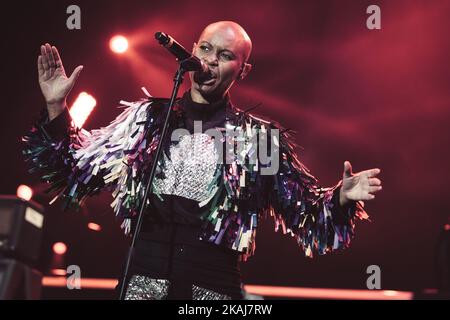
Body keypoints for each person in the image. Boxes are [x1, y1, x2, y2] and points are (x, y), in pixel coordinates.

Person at [22, 21, 383, 300]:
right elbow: (75, 175)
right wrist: (57, 107)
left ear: (243, 70)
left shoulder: (259, 139)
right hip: (141, 282)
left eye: (225, 55)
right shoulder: (147, 119)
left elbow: (305, 216)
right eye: (206, 48)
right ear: (191, 52)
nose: (210, 59)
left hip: (213, 286)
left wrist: (340, 197)